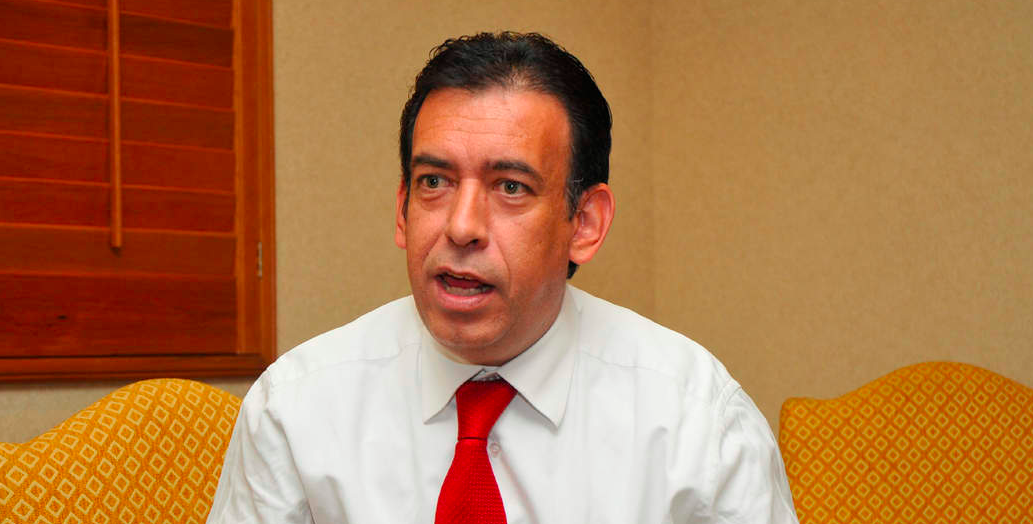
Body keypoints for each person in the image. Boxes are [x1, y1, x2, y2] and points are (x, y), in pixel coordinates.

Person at [207, 31, 798, 523]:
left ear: (585, 223)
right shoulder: (296, 410)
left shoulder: (700, 426)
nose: (461, 227)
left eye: (511, 187)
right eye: (434, 182)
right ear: (402, 210)